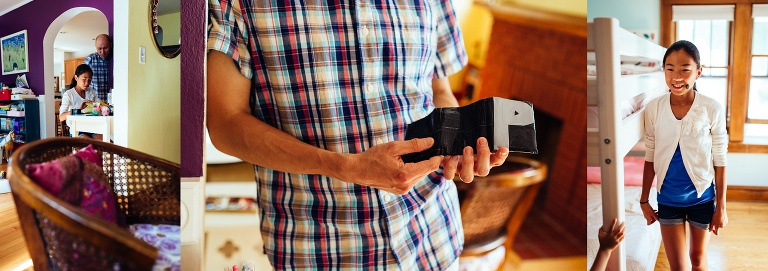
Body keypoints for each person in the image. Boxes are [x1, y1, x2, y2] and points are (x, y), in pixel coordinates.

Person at [207, 1, 509, 270]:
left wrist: (455, 144)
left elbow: (439, 90)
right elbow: (225, 123)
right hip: (319, 248)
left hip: (433, 237)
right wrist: (342, 167)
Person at [640, 40, 728, 271]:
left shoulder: (712, 108)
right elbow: (650, 156)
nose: (676, 77)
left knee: (697, 260)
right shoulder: (654, 108)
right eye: (670, 69)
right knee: (678, 267)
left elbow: (720, 160)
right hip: (668, 200)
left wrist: (721, 207)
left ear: (698, 72)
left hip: (702, 199)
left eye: (685, 69)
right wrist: (644, 201)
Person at [59, 64, 103, 141]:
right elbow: (61, 117)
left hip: (92, 128)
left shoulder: (91, 92)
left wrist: (100, 108)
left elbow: (100, 106)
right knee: (92, 145)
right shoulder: (69, 94)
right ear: (76, 78)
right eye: (84, 79)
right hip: (77, 130)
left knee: (108, 144)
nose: (87, 83)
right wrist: (78, 109)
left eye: (89, 80)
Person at [83, 34, 112, 102]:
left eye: (105, 48)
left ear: (110, 45)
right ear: (95, 47)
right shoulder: (90, 59)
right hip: (95, 103)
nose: (102, 52)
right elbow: (80, 76)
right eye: (99, 49)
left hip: (112, 102)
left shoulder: (115, 59)